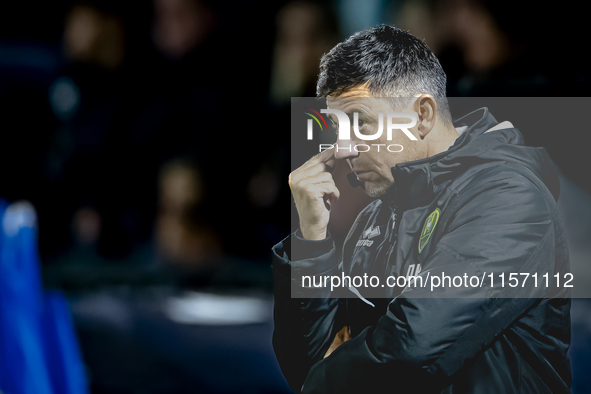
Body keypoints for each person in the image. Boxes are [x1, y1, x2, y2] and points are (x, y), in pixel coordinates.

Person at [272, 25, 571, 394]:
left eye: (361, 122)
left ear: (423, 115)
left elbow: (410, 349)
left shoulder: (511, 196)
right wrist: (312, 241)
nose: (344, 147)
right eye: (336, 127)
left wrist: (325, 373)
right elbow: (306, 363)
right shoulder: (378, 212)